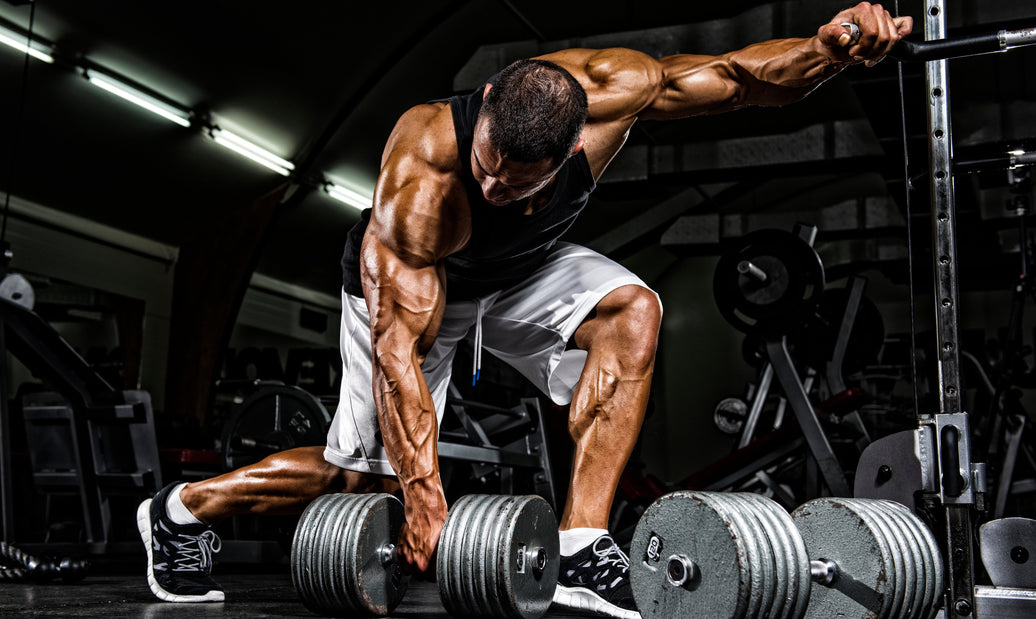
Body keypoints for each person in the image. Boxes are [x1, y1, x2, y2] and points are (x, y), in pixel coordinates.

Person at [137, 3, 912, 616]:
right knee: (360, 483)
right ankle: (179, 510)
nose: (499, 187)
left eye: (521, 183)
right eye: (489, 168)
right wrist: (423, 494)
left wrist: (830, 51)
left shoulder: (619, 89)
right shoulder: (424, 177)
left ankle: (581, 545)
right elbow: (398, 350)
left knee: (633, 310)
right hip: (414, 291)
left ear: (579, 144)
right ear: (484, 106)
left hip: (518, 271)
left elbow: (741, 78)